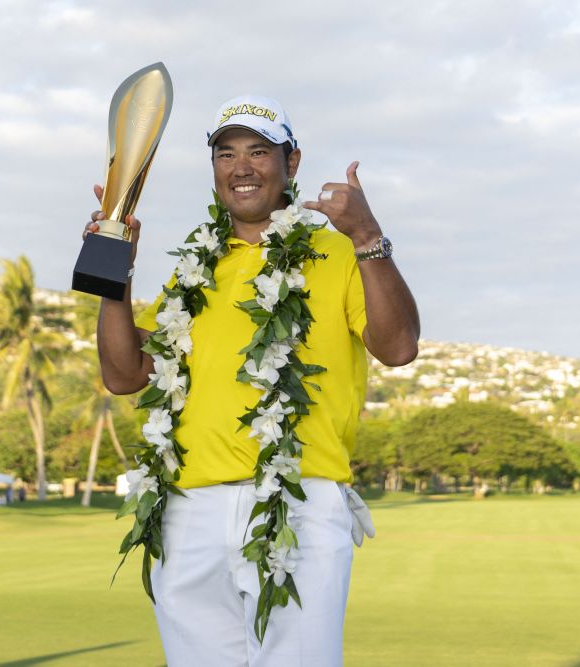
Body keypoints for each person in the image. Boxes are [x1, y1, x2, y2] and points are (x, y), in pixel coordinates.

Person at [85, 94, 419, 666]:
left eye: (259, 152)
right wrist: (117, 261)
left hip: (297, 504)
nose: (241, 166)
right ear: (214, 167)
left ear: (292, 164)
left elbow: (398, 347)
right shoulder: (196, 267)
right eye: (226, 153)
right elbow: (124, 375)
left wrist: (368, 238)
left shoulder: (336, 251)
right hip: (187, 510)